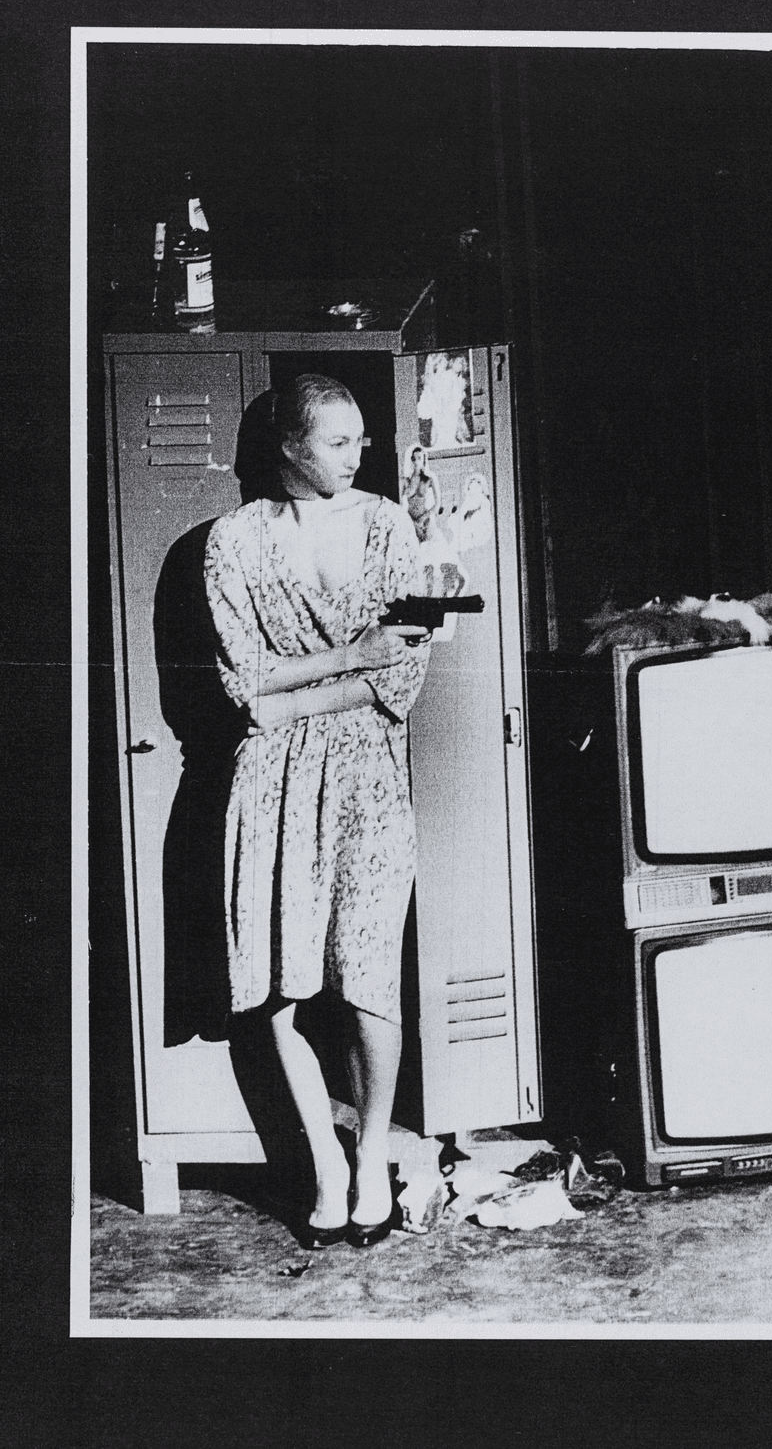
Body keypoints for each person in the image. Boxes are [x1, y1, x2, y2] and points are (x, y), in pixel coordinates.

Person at [204, 374, 431, 1249]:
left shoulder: (386, 527)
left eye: (361, 439)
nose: (358, 454)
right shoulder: (233, 540)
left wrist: (291, 695)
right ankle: (325, 1167)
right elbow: (239, 684)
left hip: (368, 780)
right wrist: (350, 656)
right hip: (270, 784)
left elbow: (400, 678)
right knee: (278, 990)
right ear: (290, 449)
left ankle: (370, 1153)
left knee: (368, 978)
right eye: (338, 441)